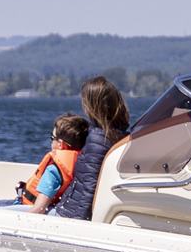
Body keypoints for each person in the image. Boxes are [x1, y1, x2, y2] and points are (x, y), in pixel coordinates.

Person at [48, 77, 131, 221]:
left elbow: (89, 187)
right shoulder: (119, 135)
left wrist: (77, 222)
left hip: (69, 215)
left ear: (92, 105)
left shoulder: (97, 140)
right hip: (69, 209)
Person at [18, 113, 88, 210]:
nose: (51, 141)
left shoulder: (54, 170)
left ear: (60, 144)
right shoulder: (83, 162)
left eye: (52, 138)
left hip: (27, 206)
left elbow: (39, 209)